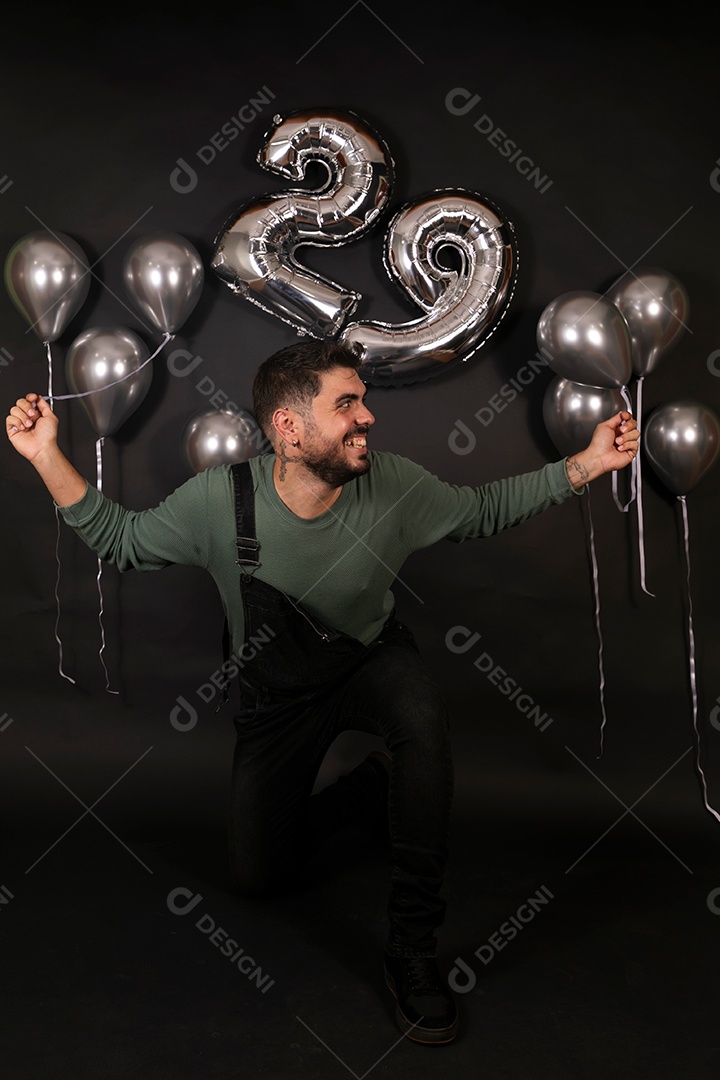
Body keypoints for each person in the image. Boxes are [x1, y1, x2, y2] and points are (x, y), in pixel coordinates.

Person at [5, 340, 639, 1045]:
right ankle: (370, 790)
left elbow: (483, 509)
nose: (367, 417)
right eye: (346, 404)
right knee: (257, 874)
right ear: (288, 428)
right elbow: (119, 540)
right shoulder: (222, 501)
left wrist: (590, 462)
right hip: (279, 697)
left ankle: (412, 951)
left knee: (422, 717)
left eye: (363, 400)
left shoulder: (393, 485)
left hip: (369, 660)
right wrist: (43, 455)